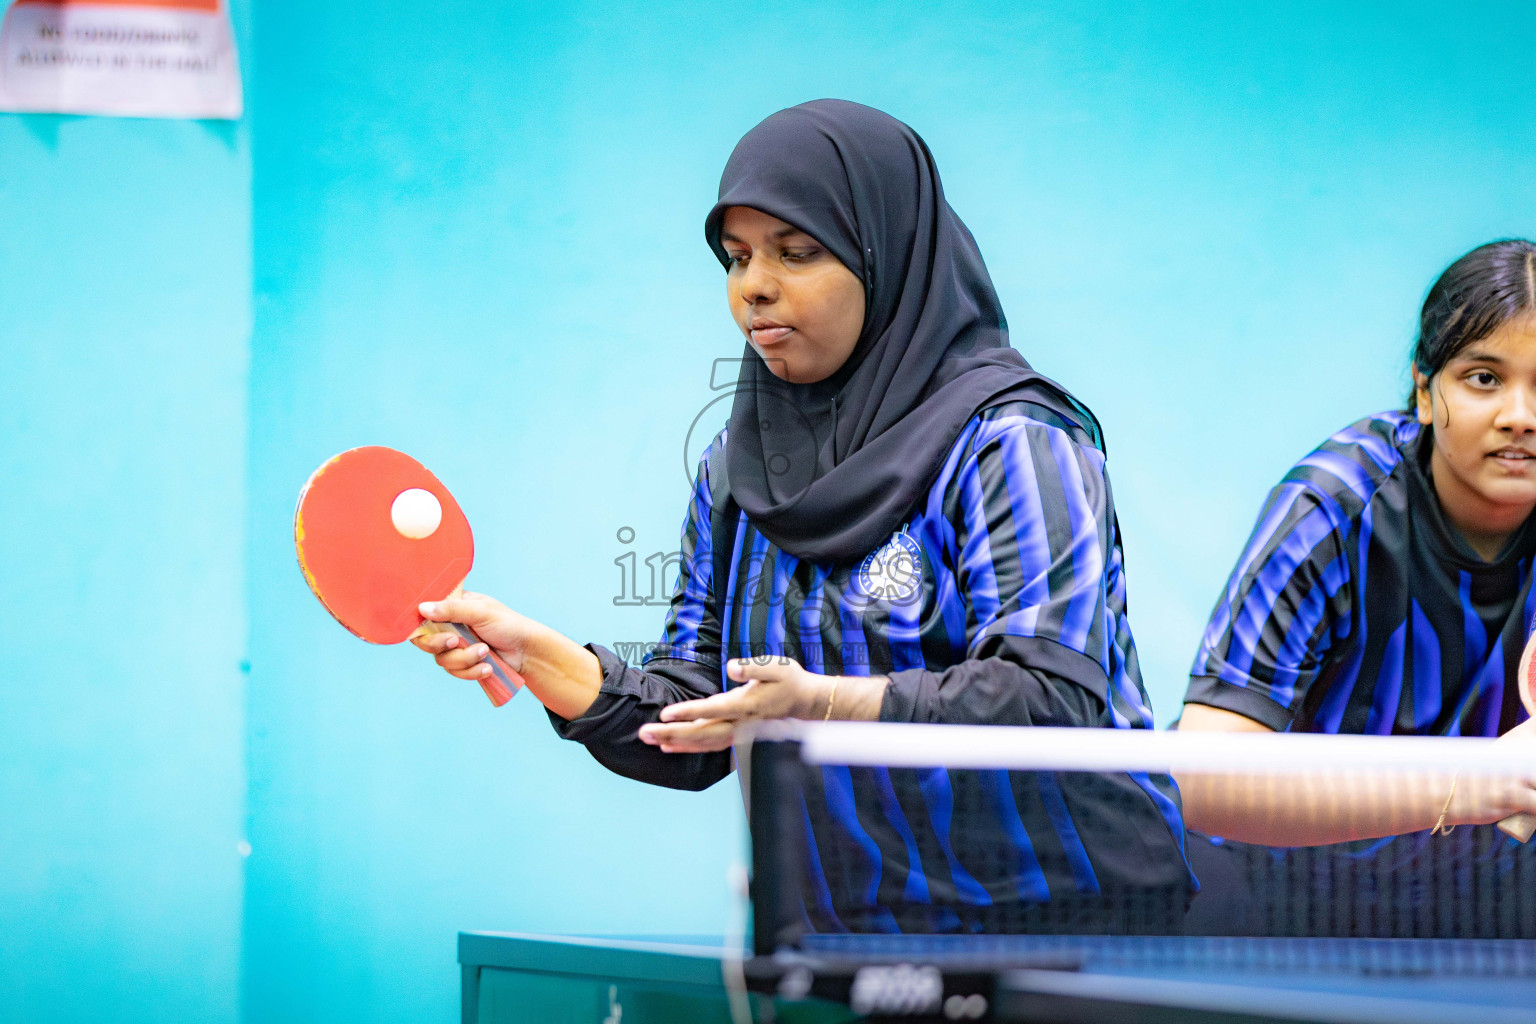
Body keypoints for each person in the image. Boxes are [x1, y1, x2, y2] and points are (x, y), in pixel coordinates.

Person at [412, 99, 1194, 933]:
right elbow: (701, 708)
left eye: (797, 251)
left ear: (885, 258)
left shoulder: (1013, 441)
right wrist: (538, 657)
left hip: (1075, 935)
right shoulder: (737, 468)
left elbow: (1048, 699)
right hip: (842, 939)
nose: (753, 286)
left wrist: (823, 704)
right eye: (737, 257)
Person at [1177, 239, 1536, 936]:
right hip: (1272, 896)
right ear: (1425, 391)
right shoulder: (1335, 506)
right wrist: (1470, 784)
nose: (1519, 414)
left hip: (1475, 907)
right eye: (1484, 377)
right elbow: (1203, 776)